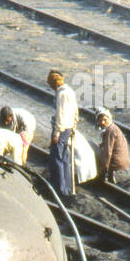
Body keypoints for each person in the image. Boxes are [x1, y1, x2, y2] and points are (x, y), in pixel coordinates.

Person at [46, 68, 79, 199]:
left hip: (61, 129)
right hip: (68, 128)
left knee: (57, 159)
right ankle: (68, 187)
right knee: (65, 158)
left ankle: (60, 190)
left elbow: (60, 114)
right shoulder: (70, 91)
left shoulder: (61, 94)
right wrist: (74, 127)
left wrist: (56, 133)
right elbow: (76, 111)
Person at [95, 109, 130, 185]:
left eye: (105, 120)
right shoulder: (114, 127)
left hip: (117, 164)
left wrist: (103, 170)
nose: (102, 122)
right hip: (124, 162)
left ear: (109, 118)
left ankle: (109, 173)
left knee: (95, 151)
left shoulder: (110, 131)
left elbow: (108, 152)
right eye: (100, 120)